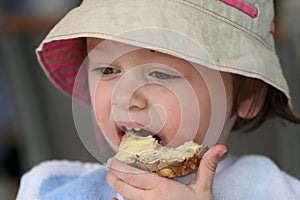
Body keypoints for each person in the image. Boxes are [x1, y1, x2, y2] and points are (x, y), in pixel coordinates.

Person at [16, 0, 300, 199]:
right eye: (108, 70)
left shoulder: (269, 189)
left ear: (249, 95)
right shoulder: (51, 188)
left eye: (162, 74)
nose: (127, 98)